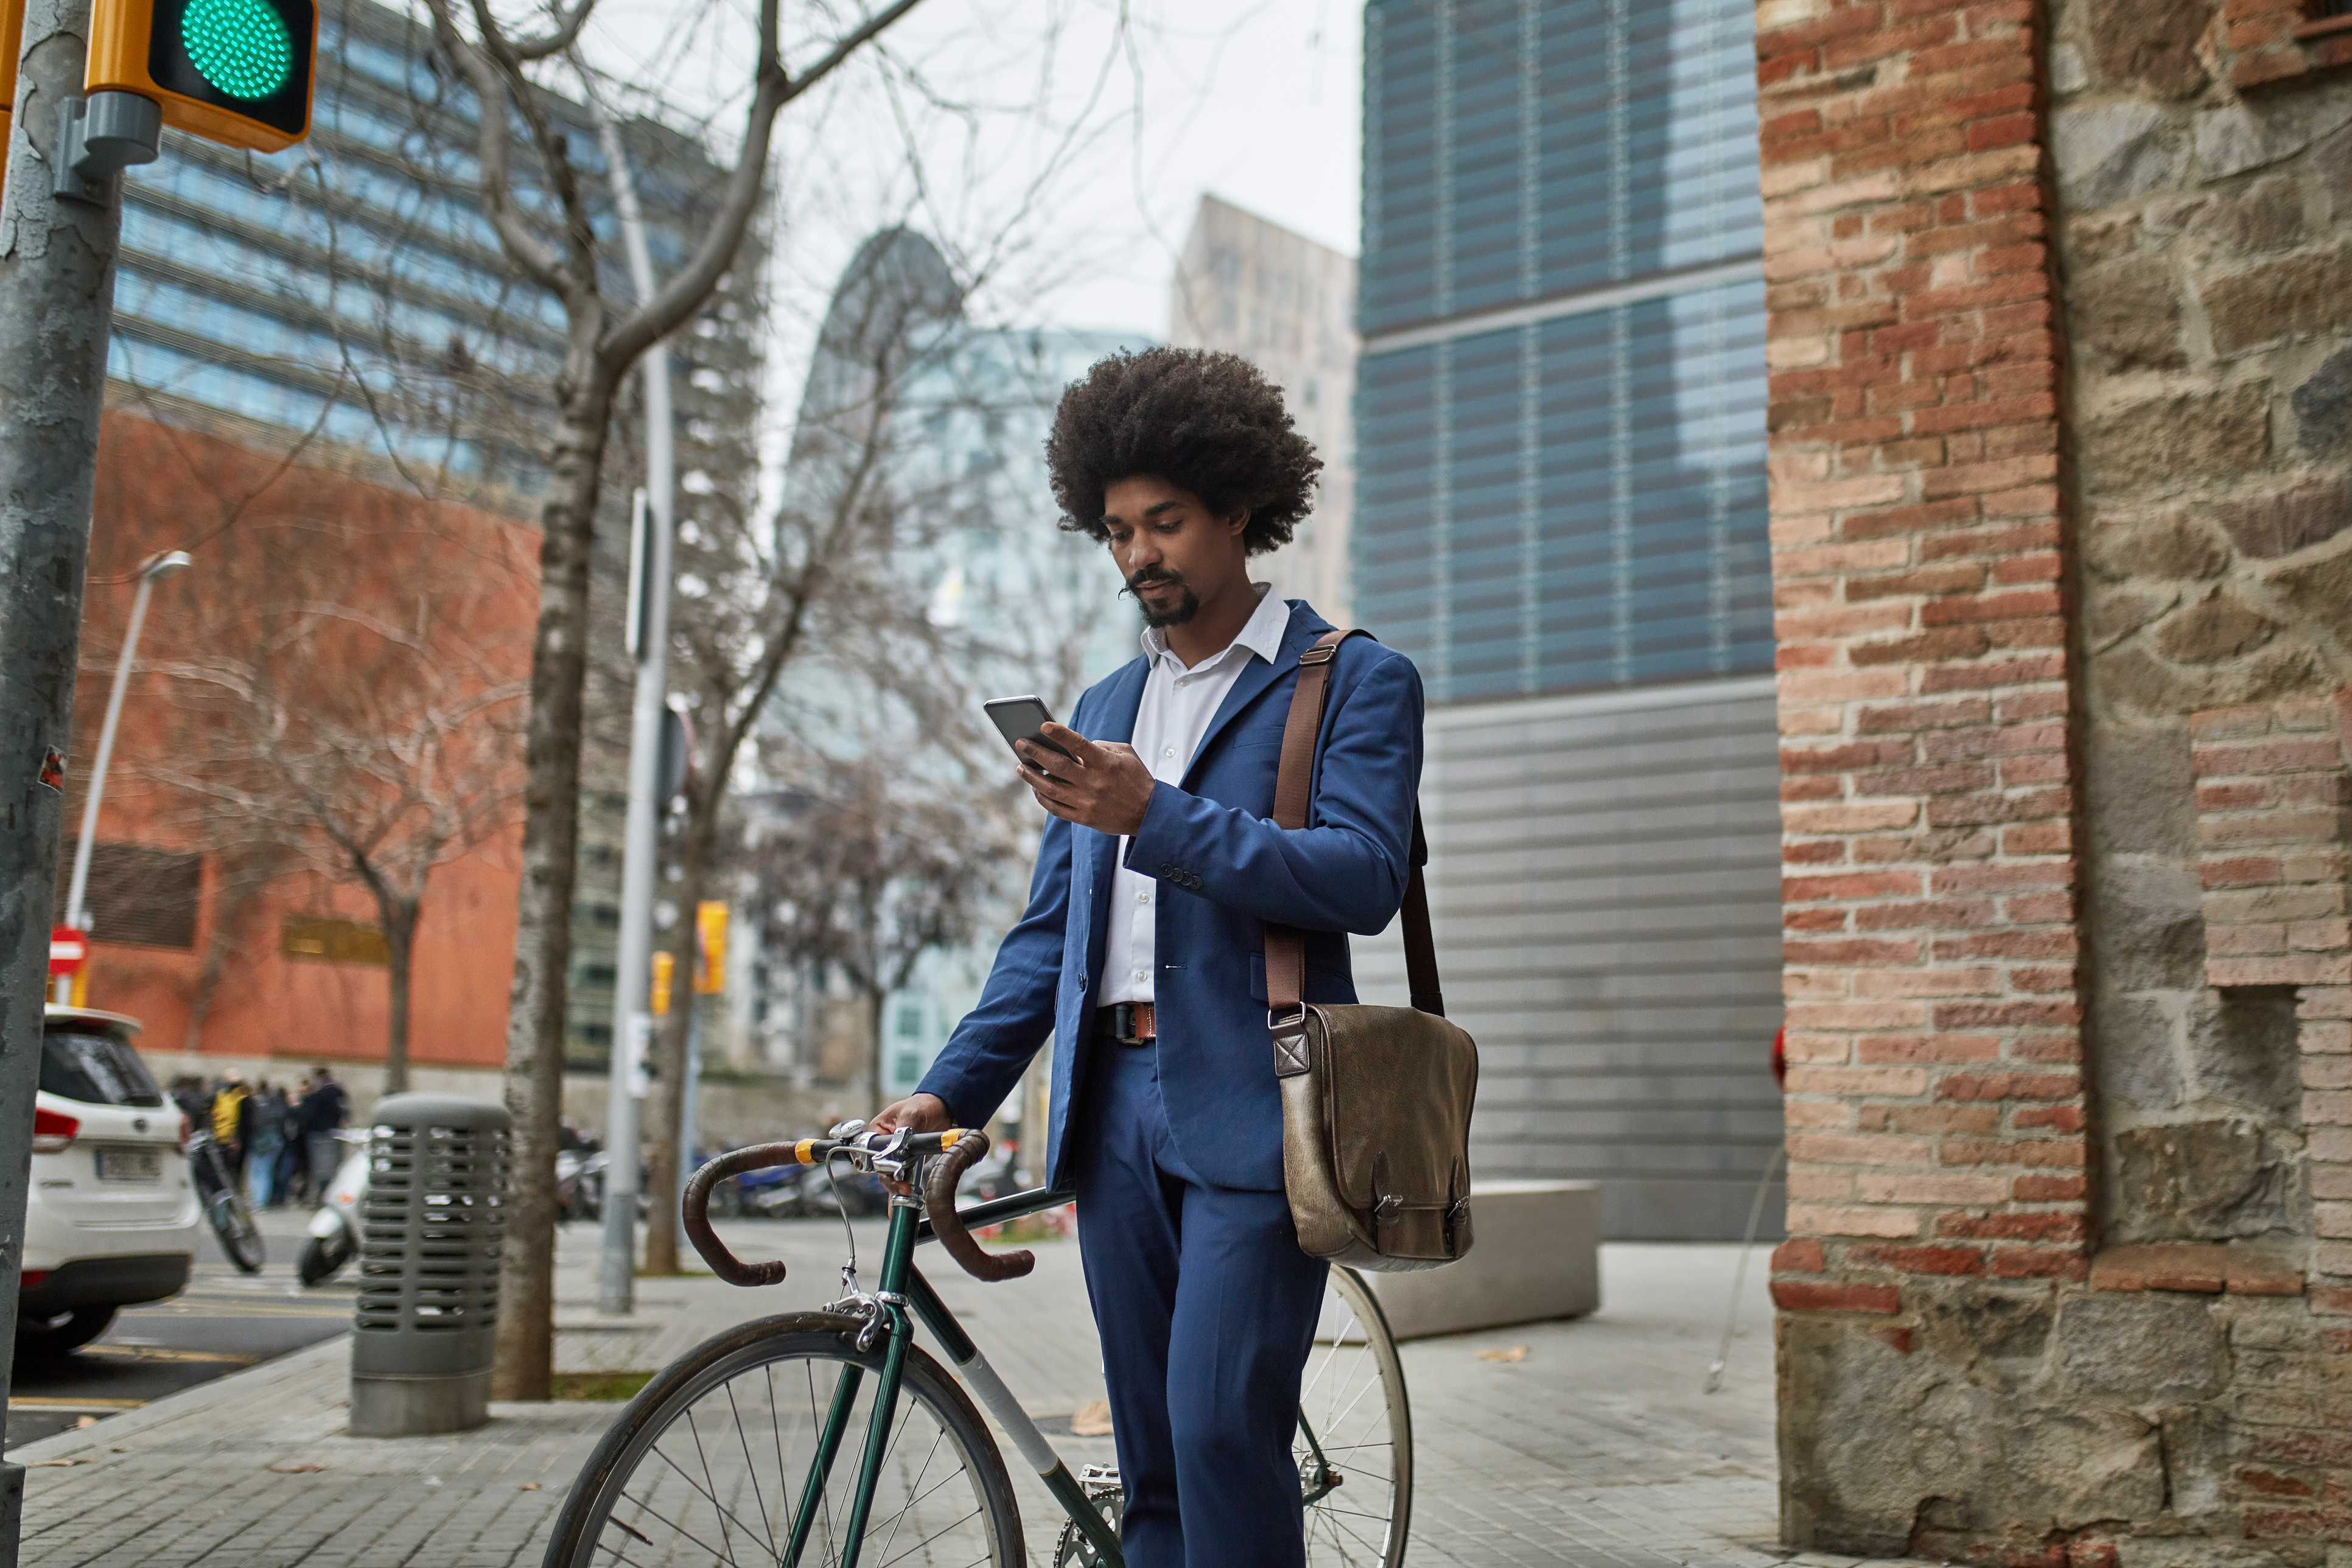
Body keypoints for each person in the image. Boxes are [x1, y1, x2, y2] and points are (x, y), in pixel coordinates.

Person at [873, 348, 1425, 1568]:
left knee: (1223, 1424)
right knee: (1157, 1459)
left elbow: (1361, 876)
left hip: (1257, 1095)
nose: (1139, 556)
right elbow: (1047, 938)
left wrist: (1157, 817)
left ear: (1240, 508)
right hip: (1110, 1110)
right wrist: (950, 1087)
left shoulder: (1351, 680)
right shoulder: (1105, 702)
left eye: (1165, 523)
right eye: (1117, 530)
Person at [296, 1065, 348, 1205]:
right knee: (333, 1165)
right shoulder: (338, 1091)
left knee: (318, 1167)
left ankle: (320, 1196)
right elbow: (344, 1110)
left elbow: (310, 1114)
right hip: (334, 1132)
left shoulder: (317, 1092)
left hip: (318, 1133)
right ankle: (330, 1194)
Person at [247, 1080, 289, 1208]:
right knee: (268, 1171)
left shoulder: (260, 1105)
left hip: (261, 1142)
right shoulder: (278, 1106)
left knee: (257, 1171)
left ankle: (258, 1201)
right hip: (276, 1141)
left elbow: (255, 1123)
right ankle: (263, 1200)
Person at [209, 1072, 251, 1186]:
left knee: (221, 1168)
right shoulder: (240, 1097)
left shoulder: (222, 1096)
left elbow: (214, 1115)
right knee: (230, 1169)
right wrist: (235, 1138)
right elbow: (236, 1119)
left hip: (221, 1136)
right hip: (230, 1138)